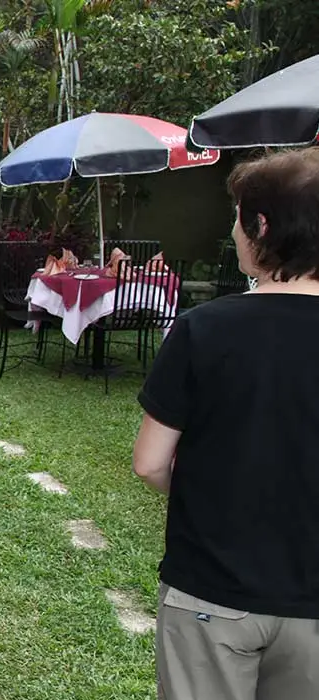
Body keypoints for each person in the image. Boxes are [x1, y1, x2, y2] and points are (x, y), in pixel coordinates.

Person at [132, 147, 319, 700]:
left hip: (211, 591)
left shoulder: (203, 329)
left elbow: (149, 462)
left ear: (259, 225)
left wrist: (211, 491)